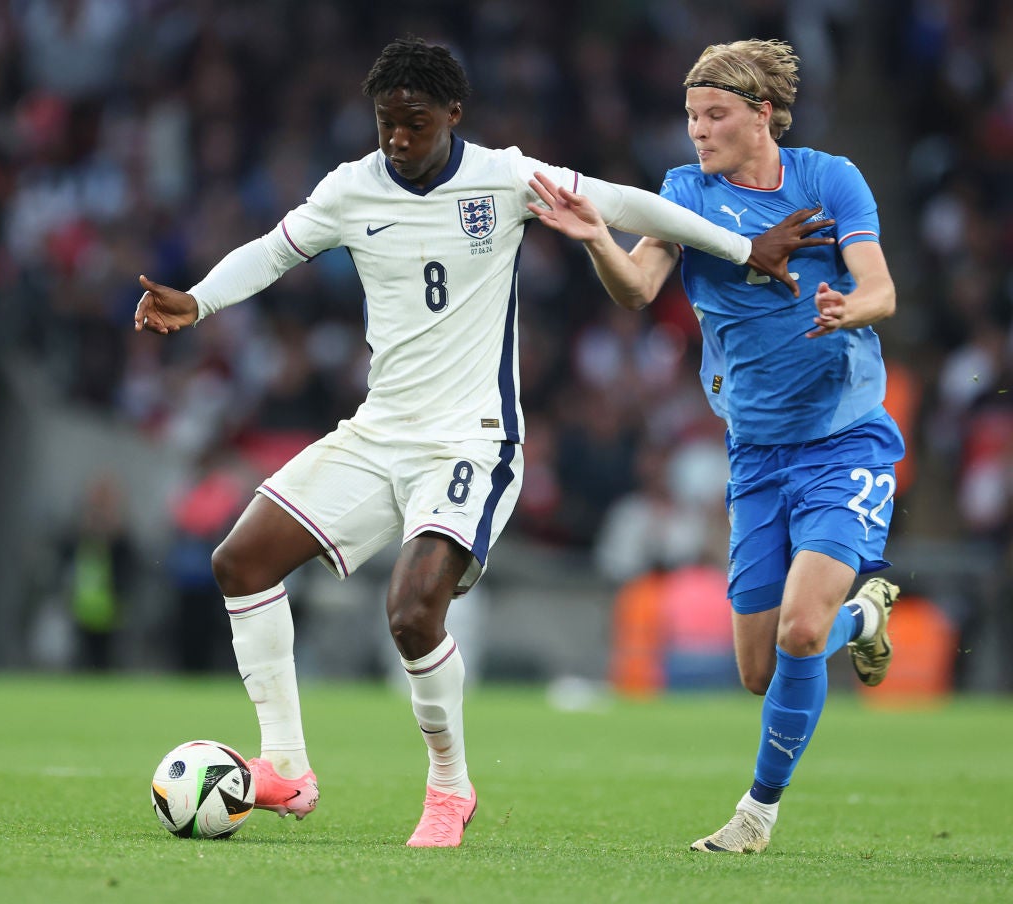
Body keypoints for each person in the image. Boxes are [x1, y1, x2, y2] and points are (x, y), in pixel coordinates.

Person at [134, 35, 829, 848]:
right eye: (386, 122)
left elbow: (629, 205)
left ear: (452, 115)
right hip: (378, 433)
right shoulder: (351, 189)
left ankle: (448, 788)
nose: (397, 138)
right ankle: (284, 762)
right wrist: (200, 302)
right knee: (238, 561)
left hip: (472, 441)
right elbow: (273, 251)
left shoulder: (503, 177)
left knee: (412, 611)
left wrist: (746, 248)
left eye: (414, 123)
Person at [527, 38, 904, 853]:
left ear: (761, 114)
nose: (698, 131)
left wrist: (851, 310)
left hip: (843, 438)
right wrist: (596, 235)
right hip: (755, 452)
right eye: (692, 116)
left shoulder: (828, 178)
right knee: (759, 667)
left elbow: (881, 286)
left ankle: (755, 815)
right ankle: (866, 619)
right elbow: (637, 289)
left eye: (716, 115)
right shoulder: (683, 192)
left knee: (802, 630)